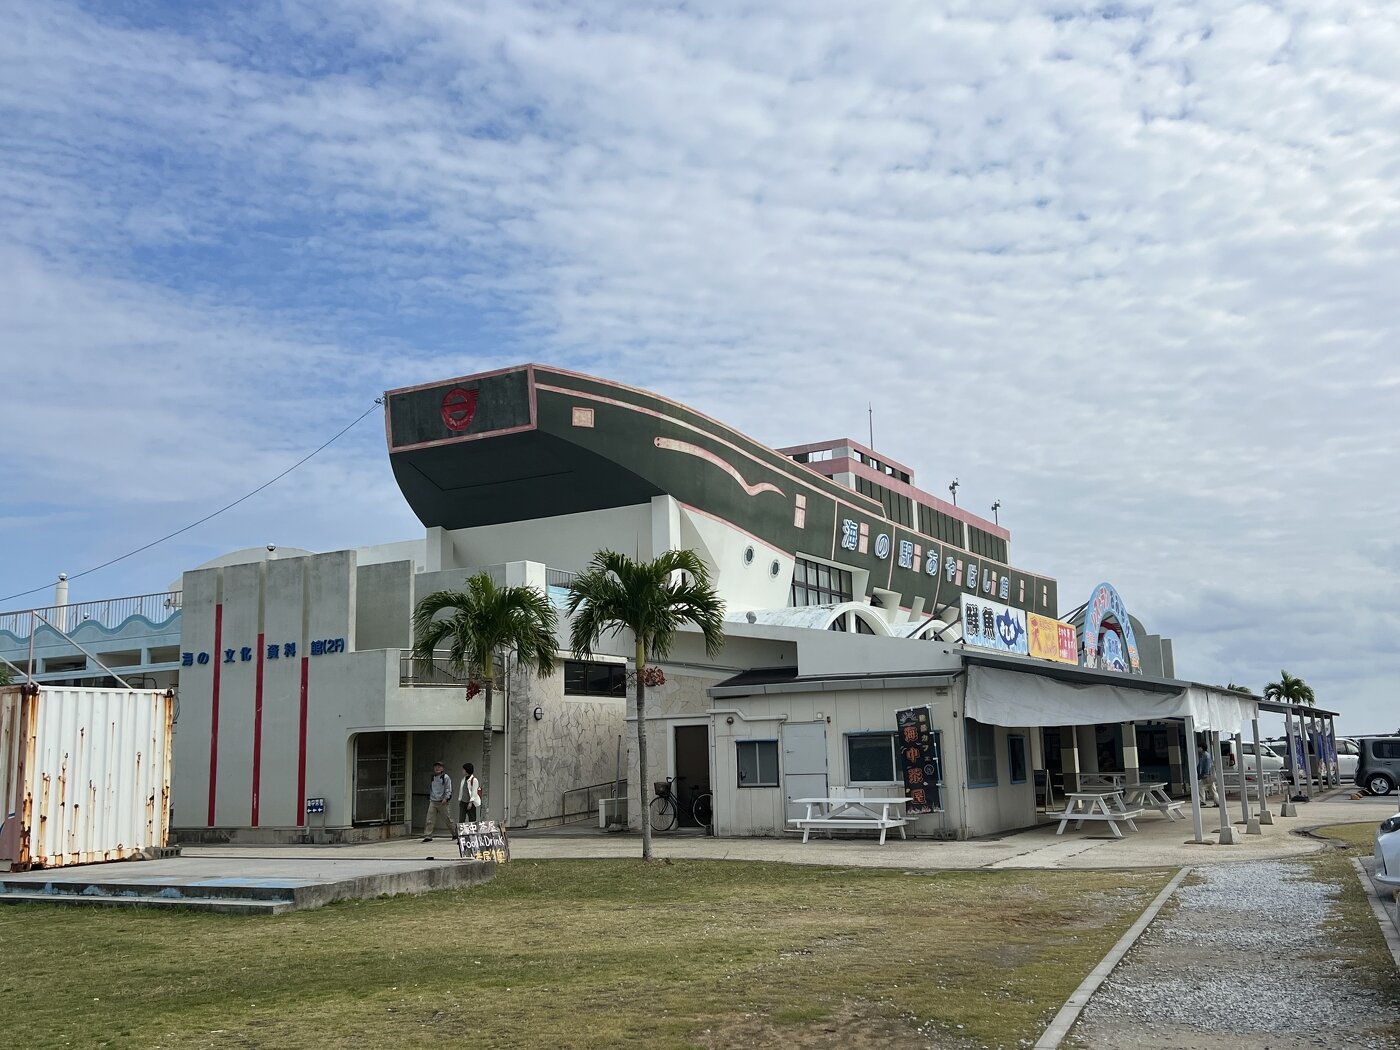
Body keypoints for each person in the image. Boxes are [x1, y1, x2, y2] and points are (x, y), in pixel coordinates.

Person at [422, 760, 456, 842]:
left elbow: (448, 788)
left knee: (448, 819)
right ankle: (428, 835)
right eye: (436, 766)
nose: (437, 768)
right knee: (429, 819)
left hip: (442, 801)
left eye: (439, 767)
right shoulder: (432, 777)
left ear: (442, 768)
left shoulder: (445, 777)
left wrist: (446, 798)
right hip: (433, 801)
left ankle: (455, 833)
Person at [1197, 741, 1218, 806]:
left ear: (1202, 748)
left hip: (1206, 775)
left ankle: (1203, 801)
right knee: (1212, 789)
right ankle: (1217, 802)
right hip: (1208, 775)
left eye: (1199, 747)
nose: (1198, 749)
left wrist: (1204, 774)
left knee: (1201, 787)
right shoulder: (1205, 755)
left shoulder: (1205, 755)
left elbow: (1206, 765)